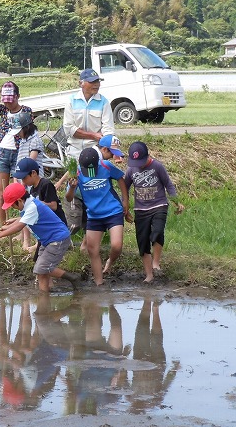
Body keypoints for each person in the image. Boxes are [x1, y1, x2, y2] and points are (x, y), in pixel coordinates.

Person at [0, 183, 81, 292]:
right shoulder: (29, 203)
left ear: (20, 200)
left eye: (13, 205)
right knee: (41, 272)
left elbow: (19, 226)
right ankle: (44, 296)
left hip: (57, 239)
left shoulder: (32, 207)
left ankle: (73, 278)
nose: (13, 207)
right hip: (47, 241)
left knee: (41, 268)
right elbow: (23, 218)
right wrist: (9, 225)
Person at [62, 68, 115, 251]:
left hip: (95, 154)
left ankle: (87, 238)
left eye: (97, 81)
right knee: (74, 188)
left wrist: (107, 146)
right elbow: (69, 129)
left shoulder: (104, 102)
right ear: (81, 83)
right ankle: (70, 229)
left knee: (92, 188)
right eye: (92, 82)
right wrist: (93, 134)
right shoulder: (71, 101)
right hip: (75, 153)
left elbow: (108, 130)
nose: (96, 85)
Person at [65, 148, 131, 286]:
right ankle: (99, 283)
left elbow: (120, 178)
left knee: (116, 246)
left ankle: (110, 261)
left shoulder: (106, 166)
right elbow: (69, 198)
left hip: (113, 211)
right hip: (94, 215)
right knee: (92, 249)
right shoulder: (76, 172)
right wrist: (72, 187)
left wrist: (125, 200)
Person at [124, 141, 185, 283]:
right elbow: (124, 188)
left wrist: (177, 201)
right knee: (143, 242)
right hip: (140, 209)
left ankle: (156, 263)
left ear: (148, 156)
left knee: (157, 231)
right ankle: (149, 275)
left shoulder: (157, 166)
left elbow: (168, 185)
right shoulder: (131, 170)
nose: (138, 164)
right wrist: (125, 208)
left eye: (141, 161)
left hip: (159, 205)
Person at [0, 81, 34, 225]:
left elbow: (29, 131)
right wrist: (2, 92)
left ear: (18, 96)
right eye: (6, 101)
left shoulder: (26, 111)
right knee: (2, 192)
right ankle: (3, 223)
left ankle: (21, 224)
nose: (9, 104)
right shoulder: (3, 110)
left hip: (19, 151)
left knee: (19, 190)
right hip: (2, 152)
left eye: (11, 100)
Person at [13, 158, 67, 253]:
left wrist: (34, 203)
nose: (23, 181)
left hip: (55, 225)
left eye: (24, 178)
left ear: (33, 173)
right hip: (44, 224)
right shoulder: (32, 189)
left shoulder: (46, 184)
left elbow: (54, 206)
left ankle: (39, 244)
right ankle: (34, 242)